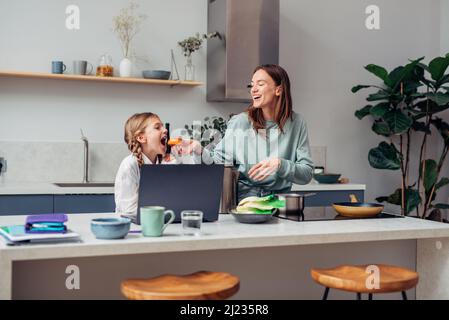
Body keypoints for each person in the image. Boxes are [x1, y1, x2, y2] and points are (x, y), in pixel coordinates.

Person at [185, 64, 314, 202]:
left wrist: (280, 164)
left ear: (278, 90)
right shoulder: (241, 122)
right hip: (246, 201)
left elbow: (306, 174)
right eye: (252, 85)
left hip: (280, 202)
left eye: (260, 84)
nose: (254, 90)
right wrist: (199, 150)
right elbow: (219, 163)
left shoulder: (297, 123)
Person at [114, 112, 177, 217]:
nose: (165, 130)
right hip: (133, 227)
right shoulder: (130, 165)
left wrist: (195, 151)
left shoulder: (168, 162)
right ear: (141, 138)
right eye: (157, 127)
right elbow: (128, 210)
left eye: (163, 127)